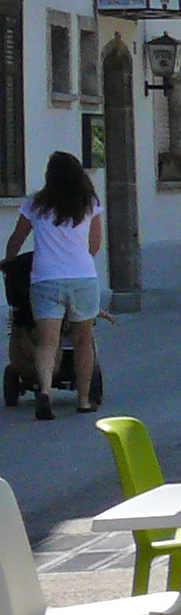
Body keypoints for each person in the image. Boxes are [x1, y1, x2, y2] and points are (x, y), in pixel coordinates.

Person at [5, 151, 104, 421]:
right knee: (83, 340)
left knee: (47, 342)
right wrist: (78, 260)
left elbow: (16, 239)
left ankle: (45, 391)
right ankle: (83, 400)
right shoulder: (89, 203)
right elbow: (95, 244)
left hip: (45, 279)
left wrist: (10, 262)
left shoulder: (36, 204)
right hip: (82, 278)